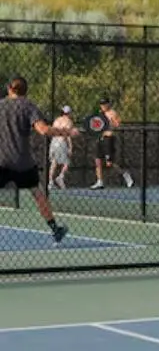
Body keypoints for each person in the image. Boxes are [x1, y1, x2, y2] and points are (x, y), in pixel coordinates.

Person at [0, 77, 78, 242]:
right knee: (38, 193)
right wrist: (66, 132)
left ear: (9, 89)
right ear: (25, 90)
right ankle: (55, 228)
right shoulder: (29, 106)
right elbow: (43, 130)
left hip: (2, 160)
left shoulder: (1, 106)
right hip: (23, 162)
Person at [90, 97, 134, 190]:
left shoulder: (112, 113)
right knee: (97, 160)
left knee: (109, 163)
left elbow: (118, 125)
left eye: (105, 104)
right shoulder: (99, 114)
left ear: (108, 104)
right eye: (102, 104)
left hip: (109, 138)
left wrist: (110, 123)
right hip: (100, 138)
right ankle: (100, 181)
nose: (103, 106)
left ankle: (125, 174)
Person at [48, 105, 74, 189]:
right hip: (62, 141)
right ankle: (60, 177)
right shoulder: (69, 121)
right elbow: (67, 135)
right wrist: (70, 147)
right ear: (69, 113)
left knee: (54, 162)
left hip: (54, 141)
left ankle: (50, 182)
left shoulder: (57, 120)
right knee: (67, 162)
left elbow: (52, 130)